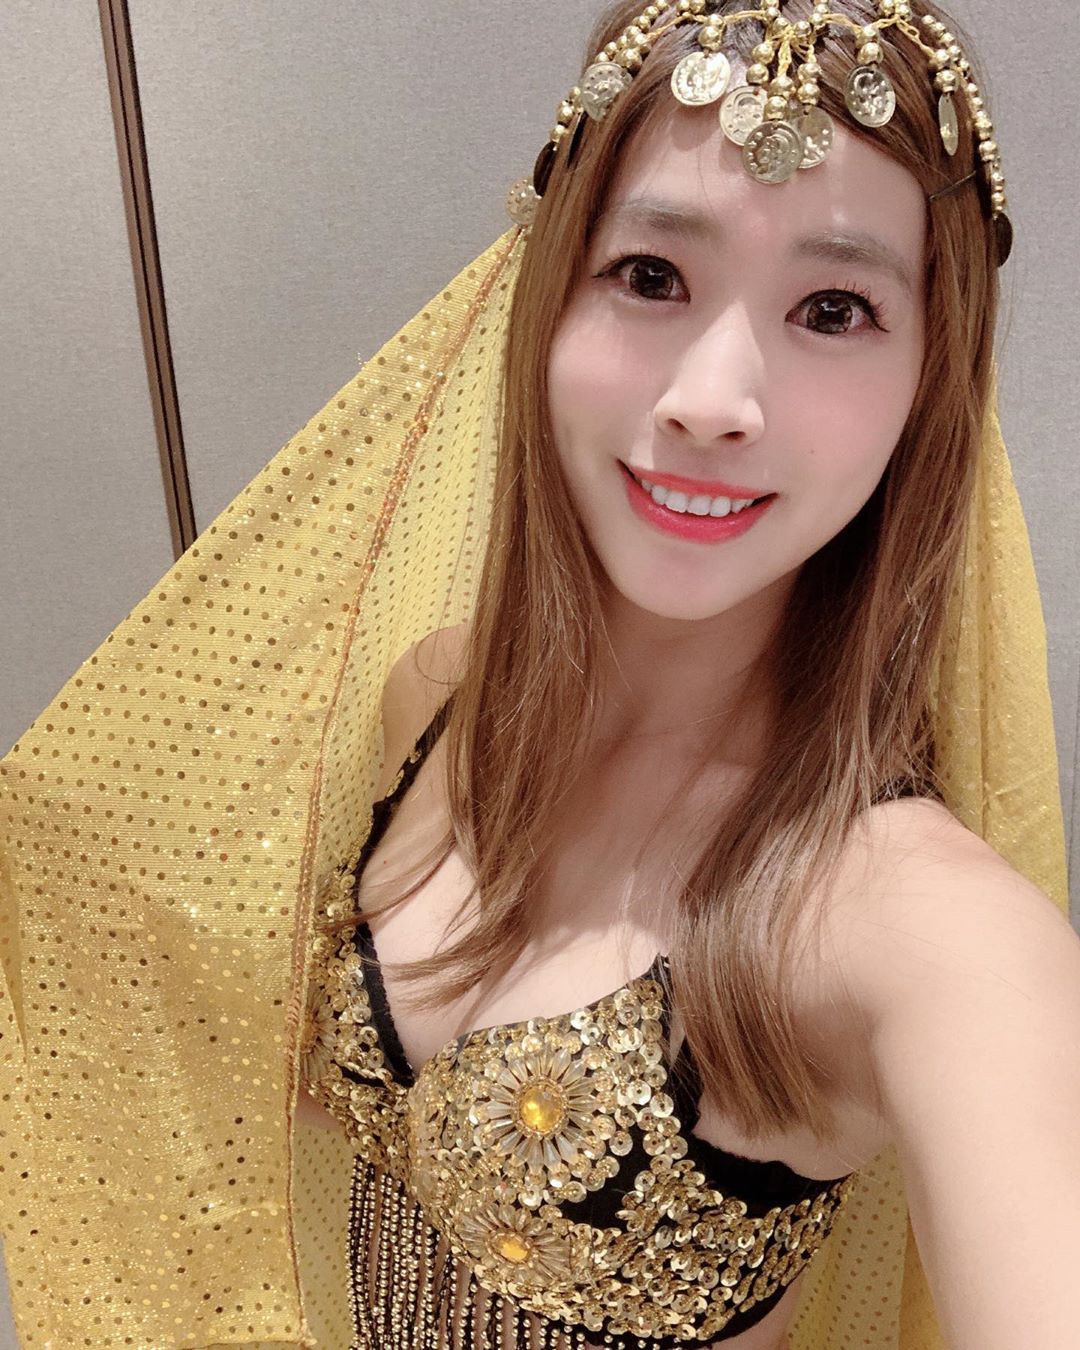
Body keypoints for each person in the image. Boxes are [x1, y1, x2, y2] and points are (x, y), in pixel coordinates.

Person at [0, 2, 1076, 1349]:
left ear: (932, 377)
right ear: (546, 290)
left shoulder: (927, 934)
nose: (712, 398)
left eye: (834, 308)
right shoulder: (434, 701)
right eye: (651, 275)